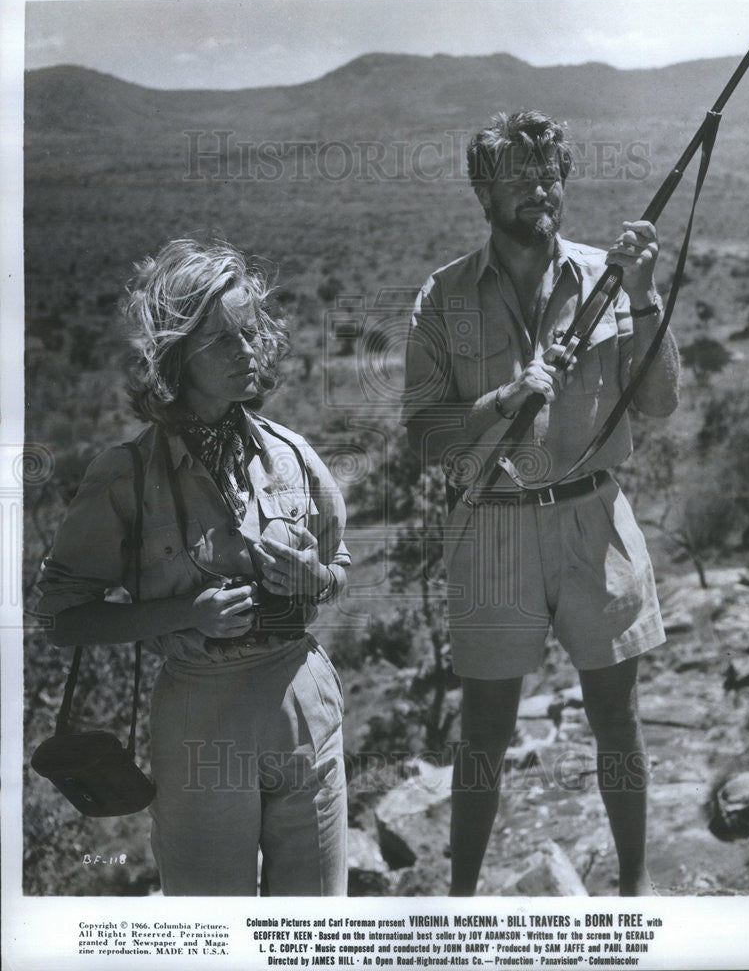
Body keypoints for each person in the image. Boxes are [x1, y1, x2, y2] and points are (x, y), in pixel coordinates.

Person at [402, 110, 680, 896]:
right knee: (485, 731)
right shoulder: (442, 295)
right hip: (491, 523)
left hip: (595, 515)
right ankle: (458, 906)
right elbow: (423, 438)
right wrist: (503, 397)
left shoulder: (609, 277)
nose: (538, 189)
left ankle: (632, 896)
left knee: (617, 721)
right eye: (516, 178)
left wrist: (648, 290)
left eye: (549, 173)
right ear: (482, 192)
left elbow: (657, 402)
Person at [37, 238, 350, 896]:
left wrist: (314, 579)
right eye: (221, 341)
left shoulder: (290, 455)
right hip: (201, 717)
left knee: (316, 928)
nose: (246, 353)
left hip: (303, 705)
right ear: (174, 357)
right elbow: (63, 618)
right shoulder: (126, 473)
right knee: (213, 929)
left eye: (250, 333)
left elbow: (338, 563)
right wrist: (187, 613)